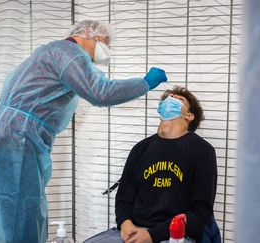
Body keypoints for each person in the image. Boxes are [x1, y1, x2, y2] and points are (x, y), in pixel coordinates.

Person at [0, 20, 168, 243]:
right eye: (105, 42)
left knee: (8, 205)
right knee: (22, 206)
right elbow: (100, 93)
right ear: (89, 34)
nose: (106, 50)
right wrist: (145, 83)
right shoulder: (70, 53)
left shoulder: (49, 52)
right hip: (19, 137)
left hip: (4, 133)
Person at [84, 86, 220, 243]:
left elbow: (201, 212)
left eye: (178, 99)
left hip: (176, 236)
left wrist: (152, 235)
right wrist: (125, 224)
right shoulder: (141, 149)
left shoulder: (202, 151)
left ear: (189, 116)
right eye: (168, 97)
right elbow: (124, 197)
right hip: (135, 231)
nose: (170, 99)